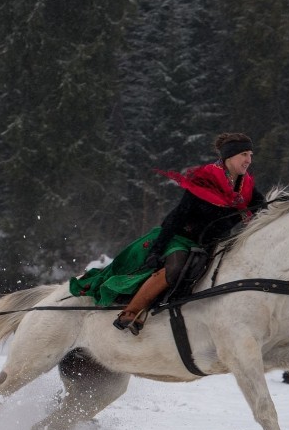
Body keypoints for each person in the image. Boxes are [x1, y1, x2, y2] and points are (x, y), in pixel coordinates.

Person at [70, 133, 266, 335]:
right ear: (229, 155)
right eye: (244, 154)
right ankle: (131, 312)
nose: (249, 160)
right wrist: (157, 250)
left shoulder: (246, 185)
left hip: (211, 244)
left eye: (250, 154)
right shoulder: (206, 179)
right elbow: (177, 217)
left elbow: (264, 208)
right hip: (179, 238)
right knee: (176, 266)